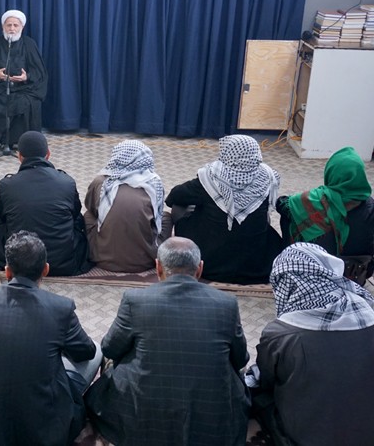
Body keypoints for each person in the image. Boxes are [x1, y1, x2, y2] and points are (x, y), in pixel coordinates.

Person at [85, 237, 250, 446]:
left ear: (158, 267)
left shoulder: (135, 300)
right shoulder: (227, 303)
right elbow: (240, 358)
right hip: (213, 421)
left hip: (139, 417)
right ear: (199, 269)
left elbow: (110, 348)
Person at [0, 231, 100, 446]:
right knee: (97, 351)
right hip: (42, 428)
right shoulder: (61, 307)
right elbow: (86, 352)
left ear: (7, 271)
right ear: (46, 269)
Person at [253, 243, 374, 446]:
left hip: (304, 438)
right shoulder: (368, 311)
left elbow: (266, 379)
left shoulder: (280, 334)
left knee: (254, 393)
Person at [165, 134, 281, 284]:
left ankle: (185, 250)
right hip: (256, 267)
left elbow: (173, 198)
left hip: (209, 264)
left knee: (180, 207)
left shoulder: (211, 177)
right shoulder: (268, 177)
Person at [0, 131, 89, 276]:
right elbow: (75, 214)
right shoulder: (67, 182)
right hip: (64, 263)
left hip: (18, 262)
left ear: (19, 156)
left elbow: (0, 216)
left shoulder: (7, 184)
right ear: (48, 154)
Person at [84, 140, 172, 272]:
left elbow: (90, 206)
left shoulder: (101, 182)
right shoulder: (154, 184)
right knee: (166, 217)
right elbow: (156, 220)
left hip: (101, 259)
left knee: (88, 215)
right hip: (146, 261)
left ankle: (100, 247)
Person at [276, 146, 374, 260]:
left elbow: (281, 204)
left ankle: (289, 257)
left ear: (331, 172)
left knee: (292, 214)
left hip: (316, 267)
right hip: (358, 269)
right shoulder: (370, 206)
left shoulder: (315, 200)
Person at [0, 9, 48, 149]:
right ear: (3, 26)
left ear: (22, 27)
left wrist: (26, 77)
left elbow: (39, 72)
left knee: (24, 104)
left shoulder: (29, 44)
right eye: (9, 25)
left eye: (15, 25)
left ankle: (19, 140)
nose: (12, 29)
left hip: (24, 89)